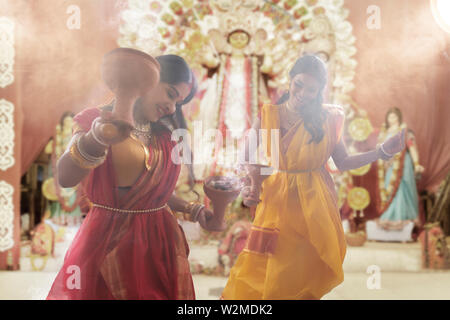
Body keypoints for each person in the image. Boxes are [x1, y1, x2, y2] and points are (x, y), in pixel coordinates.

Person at [221, 55, 406, 300]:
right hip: (277, 201)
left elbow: (343, 162)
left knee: (300, 269)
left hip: (313, 204)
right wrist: (248, 184)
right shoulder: (268, 114)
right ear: (290, 80)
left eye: (311, 89)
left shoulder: (327, 120)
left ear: (319, 91)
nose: (303, 93)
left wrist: (380, 152)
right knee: (263, 264)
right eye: (299, 84)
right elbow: (244, 159)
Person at [46, 54, 216, 300]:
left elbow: (155, 195)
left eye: (178, 103)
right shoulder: (96, 120)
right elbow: (65, 177)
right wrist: (98, 138)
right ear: (147, 81)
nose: (172, 108)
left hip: (159, 245)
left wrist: (195, 210)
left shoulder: (163, 136)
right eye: (170, 94)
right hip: (107, 238)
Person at [375, 107, 424, 230]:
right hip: (389, 167)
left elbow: (412, 148)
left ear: (398, 117)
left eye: (394, 116)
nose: (392, 119)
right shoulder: (384, 133)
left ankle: (403, 219)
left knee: (402, 188)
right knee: (390, 190)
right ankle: (390, 218)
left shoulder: (405, 132)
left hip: (403, 164)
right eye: (389, 116)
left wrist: (416, 163)